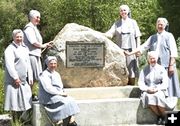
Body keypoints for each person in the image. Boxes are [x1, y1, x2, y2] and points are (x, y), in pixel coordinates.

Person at [124, 17, 180, 98]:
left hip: (167, 66)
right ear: (156, 26)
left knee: (169, 87)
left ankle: (169, 104)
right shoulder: (153, 37)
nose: (160, 26)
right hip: (156, 65)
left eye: (161, 24)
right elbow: (143, 47)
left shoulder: (169, 36)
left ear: (165, 26)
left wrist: (171, 65)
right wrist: (130, 53)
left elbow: (173, 51)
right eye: (158, 24)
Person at [105, 4, 141, 85]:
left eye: (124, 10)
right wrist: (102, 35)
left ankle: (131, 88)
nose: (123, 12)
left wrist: (138, 49)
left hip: (131, 51)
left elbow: (138, 36)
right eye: (121, 10)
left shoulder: (133, 22)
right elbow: (110, 33)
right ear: (119, 12)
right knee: (120, 70)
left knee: (132, 70)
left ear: (128, 11)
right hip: (119, 51)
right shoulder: (117, 23)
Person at [38, 56, 80, 126]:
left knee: (71, 100)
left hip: (57, 94)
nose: (53, 65)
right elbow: (48, 88)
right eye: (51, 63)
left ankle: (71, 120)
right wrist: (60, 93)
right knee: (65, 102)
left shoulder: (56, 74)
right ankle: (59, 121)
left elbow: (60, 86)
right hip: (48, 96)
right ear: (47, 64)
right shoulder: (44, 74)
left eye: (55, 63)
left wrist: (62, 92)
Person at [138, 51, 177, 125]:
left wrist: (157, 89)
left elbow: (165, 83)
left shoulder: (161, 69)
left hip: (159, 89)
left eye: (154, 58)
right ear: (148, 59)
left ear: (157, 58)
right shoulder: (144, 70)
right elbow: (141, 82)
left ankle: (164, 116)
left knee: (158, 96)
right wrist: (147, 89)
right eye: (150, 58)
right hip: (148, 90)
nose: (152, 60)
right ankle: (160, 116)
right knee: (148, 97)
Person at [4, 29, 33, 122]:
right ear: (13, 37)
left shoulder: (25, 48)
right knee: (14, 102)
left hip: (24, 80)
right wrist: (15, 78)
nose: (19, 38)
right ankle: (14, 122)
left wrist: (31, 77)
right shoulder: (10, 49)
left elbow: (28, 63)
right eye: (17, 37)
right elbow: (9, 65)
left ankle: (23, 121)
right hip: (14, 81)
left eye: (21, 37)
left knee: (25, 100)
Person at [23, 9, 52, 100]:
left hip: (35, 55)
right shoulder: (29, 28)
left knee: (36, 77)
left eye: (39, 17)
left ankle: (31, 95)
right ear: (31, 18)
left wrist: (45, 46)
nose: (39, 19)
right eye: (37, 17)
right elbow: (33, 41)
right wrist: (43, 46)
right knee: (32, 77)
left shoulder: (34, 28)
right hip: (31, 55)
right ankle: (28, 96)